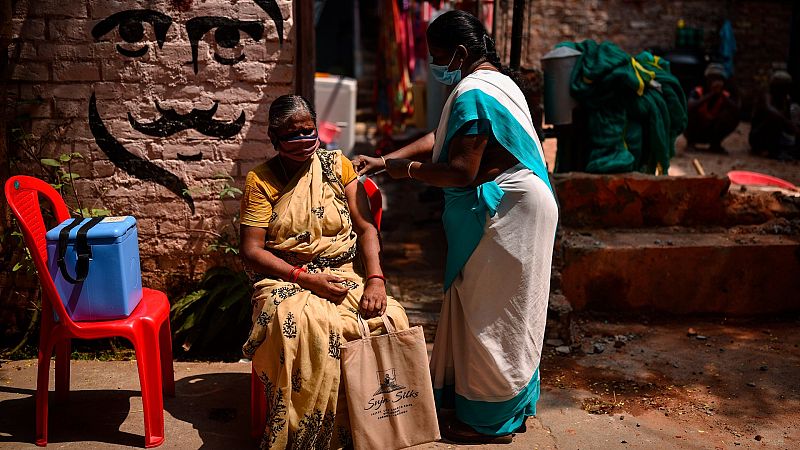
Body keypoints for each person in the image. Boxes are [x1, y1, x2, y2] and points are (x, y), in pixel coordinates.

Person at [353, 10, 558, 444]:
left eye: (438, 56)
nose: (435, 64)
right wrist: (386, 162)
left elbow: (461, 169)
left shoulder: (473, 92)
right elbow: (442, 135)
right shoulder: (494, 82)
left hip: (510, 210)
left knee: (492, 317)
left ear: (461, 53)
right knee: (485, 308)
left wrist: (405, 170)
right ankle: (486, 405)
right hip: (520, 204)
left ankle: (490, 420)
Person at [240, 94, 410, 449]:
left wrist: (376, 280)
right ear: (274, 139)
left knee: (390, 317)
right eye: (292, 135)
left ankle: (369, 429)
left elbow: (365, 228)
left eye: (309, 131)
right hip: (287, 277)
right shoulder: (261, 180)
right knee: (306, 329)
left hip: (343, 272)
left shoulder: (337, 166)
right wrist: (304, 278)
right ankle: (309, 437)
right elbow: (252, 250)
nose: (304, 140)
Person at [684, 62, 740, 154]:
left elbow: (736, 111)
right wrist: (711, 94)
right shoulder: (698, 91)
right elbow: (689, 106)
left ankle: (715, 144)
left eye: (719, 79)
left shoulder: (725, 96)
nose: (716, 82)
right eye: (714, 78)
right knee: (688, 114)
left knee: (730, 116)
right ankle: (691, 142)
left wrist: (721, 95)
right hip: (697, 129)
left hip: (712, 130)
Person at [750, 70, 800, 160]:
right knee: (774, 119)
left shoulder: (786, 100)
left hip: (779, 137)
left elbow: (788, 124)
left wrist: (794, 127)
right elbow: (769, 109)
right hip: (759, 136)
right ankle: (767, 150)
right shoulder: (767, 96)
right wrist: (788, 123)